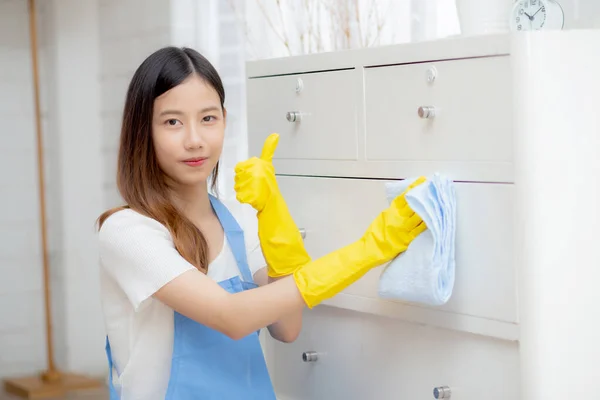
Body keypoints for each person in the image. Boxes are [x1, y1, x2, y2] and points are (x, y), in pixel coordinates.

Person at [97, 46, 426, 400]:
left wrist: (273, 213)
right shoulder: (127, 232)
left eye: (208, 118)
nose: (194, 140)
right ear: (142, 130)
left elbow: (287, 327)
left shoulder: (238, 223)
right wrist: (367, 251)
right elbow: (232, 316)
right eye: (172, 122)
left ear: (224, 119)